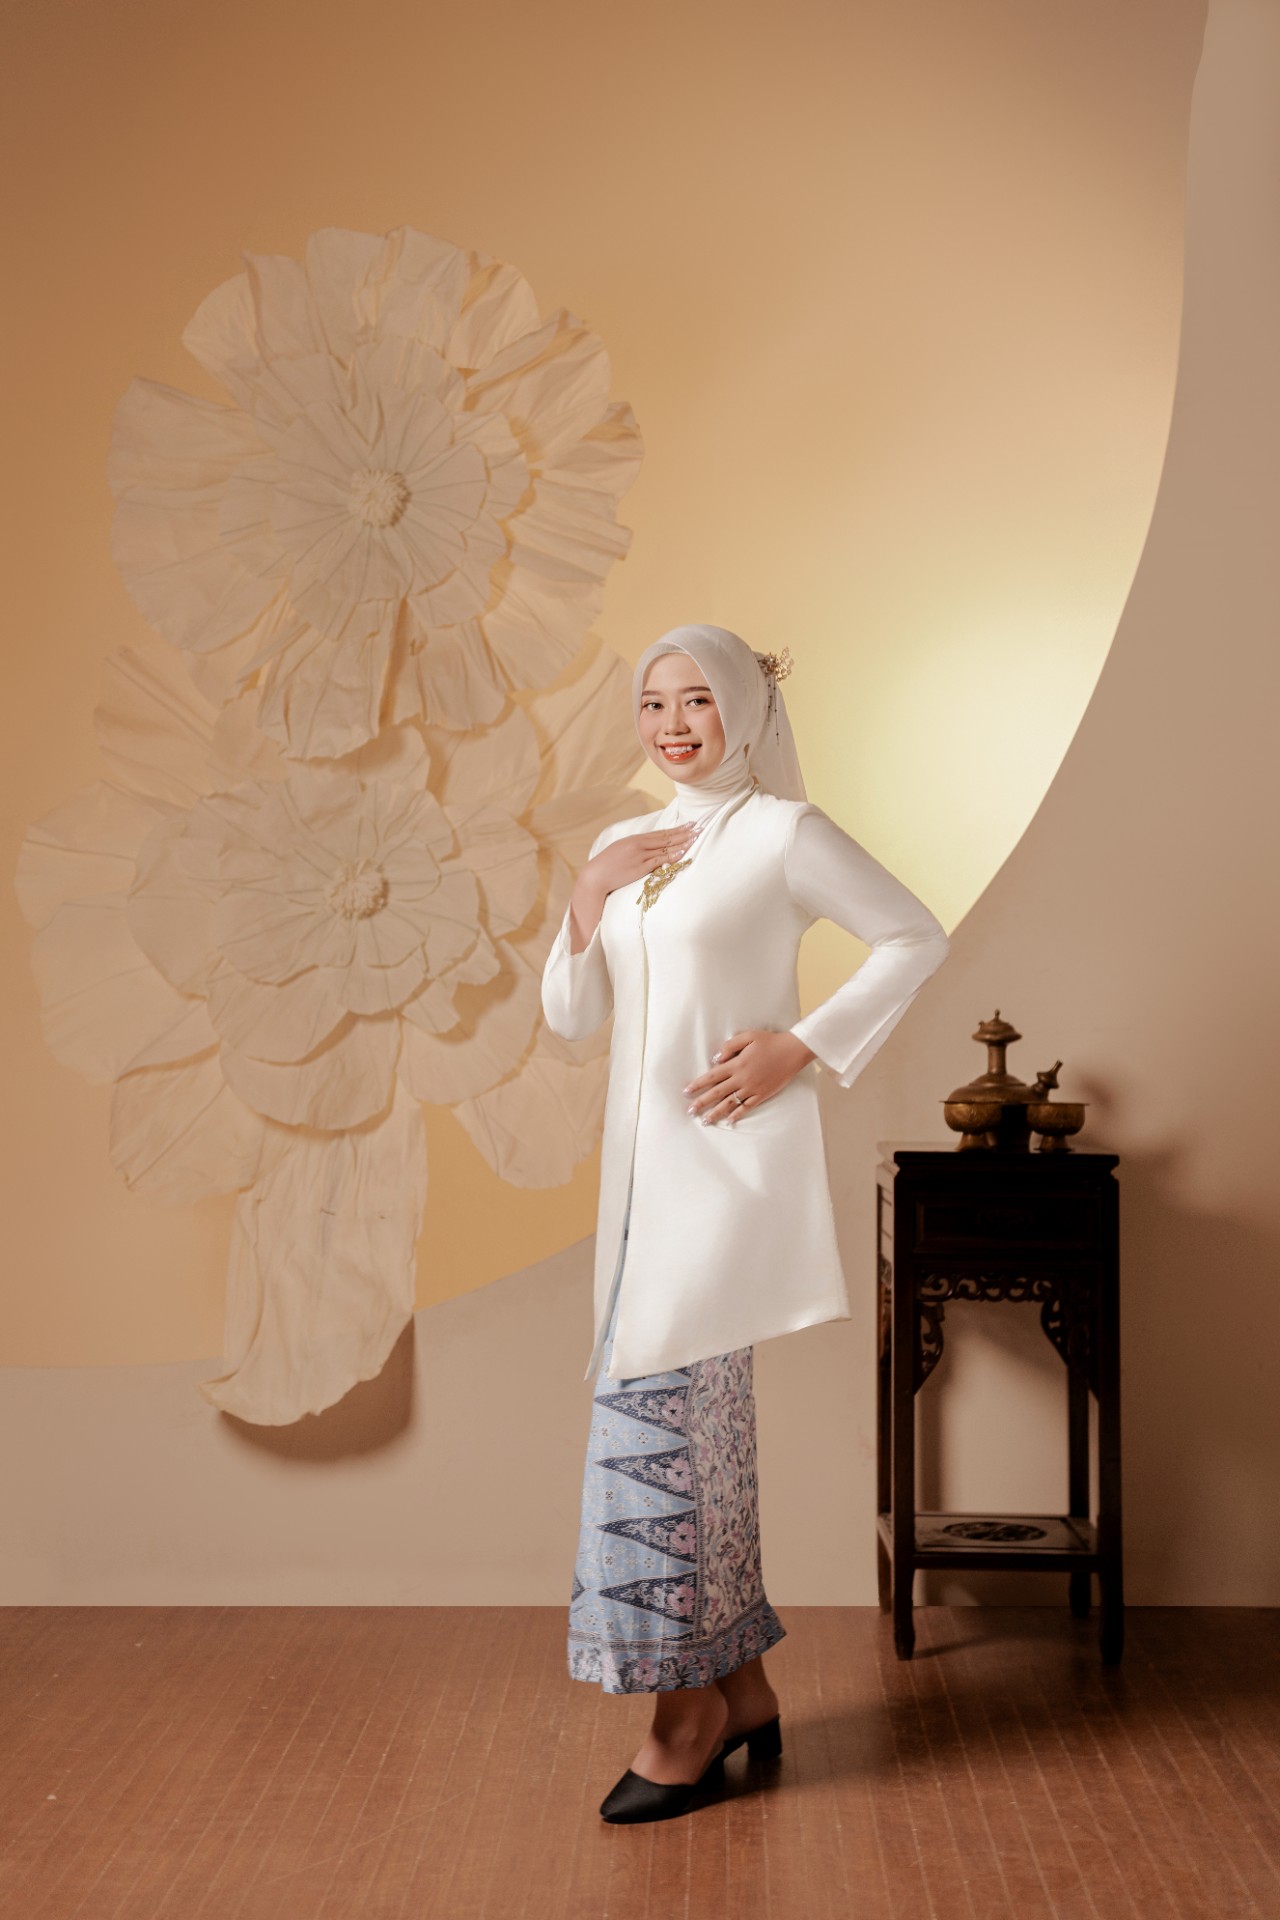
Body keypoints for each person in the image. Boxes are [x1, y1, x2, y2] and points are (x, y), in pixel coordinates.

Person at [540, 624, 950, 1823]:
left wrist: (797, 1046)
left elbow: (912, 935)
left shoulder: (781, 833)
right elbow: (571, 1017)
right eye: (652, 703)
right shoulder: (624, 844)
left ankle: (682, 1723)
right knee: (696, 1427)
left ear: (744, 710)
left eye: (697, 701)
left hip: (720, 1180)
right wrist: (586, 895)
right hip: (635, 1189)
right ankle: (741, 1688)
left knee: (656, 1434)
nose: (672, 725)